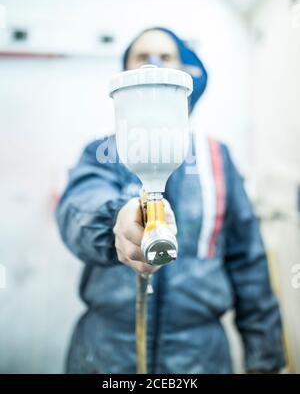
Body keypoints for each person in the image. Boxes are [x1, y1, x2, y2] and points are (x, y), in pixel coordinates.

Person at [56, 27, 285, 374]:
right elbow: (77, 209)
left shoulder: (217, 158)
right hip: (106, 354)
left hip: (199, 357)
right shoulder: (101, 154)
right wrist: (114, 221)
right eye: (141, 56)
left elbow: (248, 262)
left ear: (183, 78)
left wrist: (265, 360)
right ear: (124, 78)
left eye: (165, 58)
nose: (152, 64)